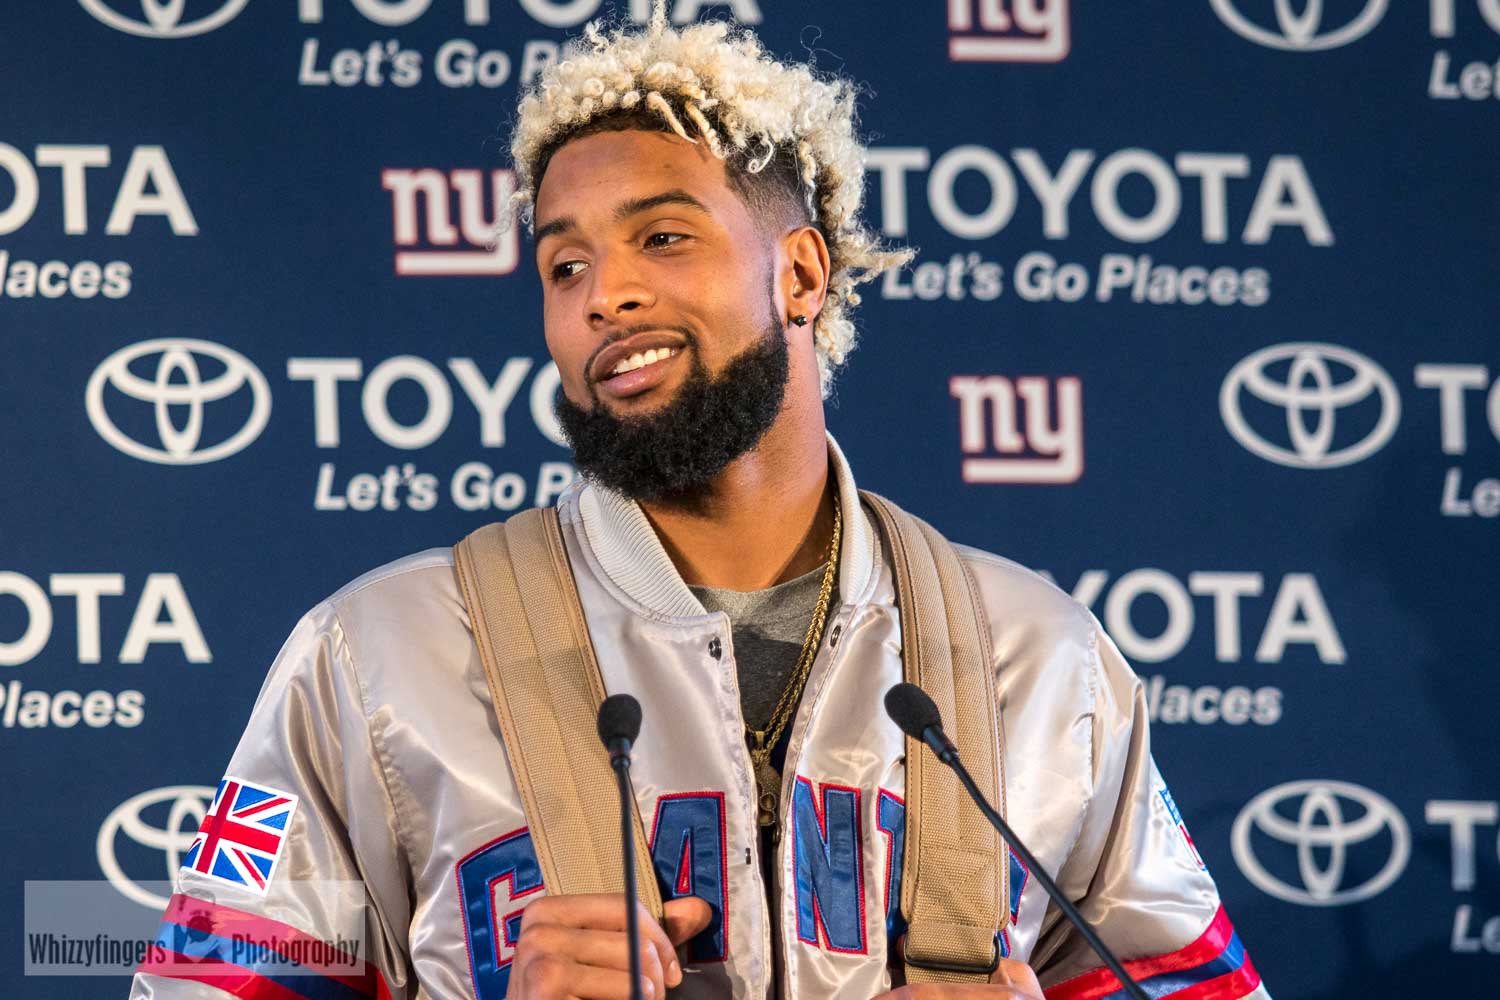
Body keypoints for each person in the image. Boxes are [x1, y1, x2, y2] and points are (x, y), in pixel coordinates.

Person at [129, 8, 1267, 1000]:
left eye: (663, 238)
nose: (604, 295)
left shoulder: (1042, 658)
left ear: (802, 275)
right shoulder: (378, 655)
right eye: (564, 267)